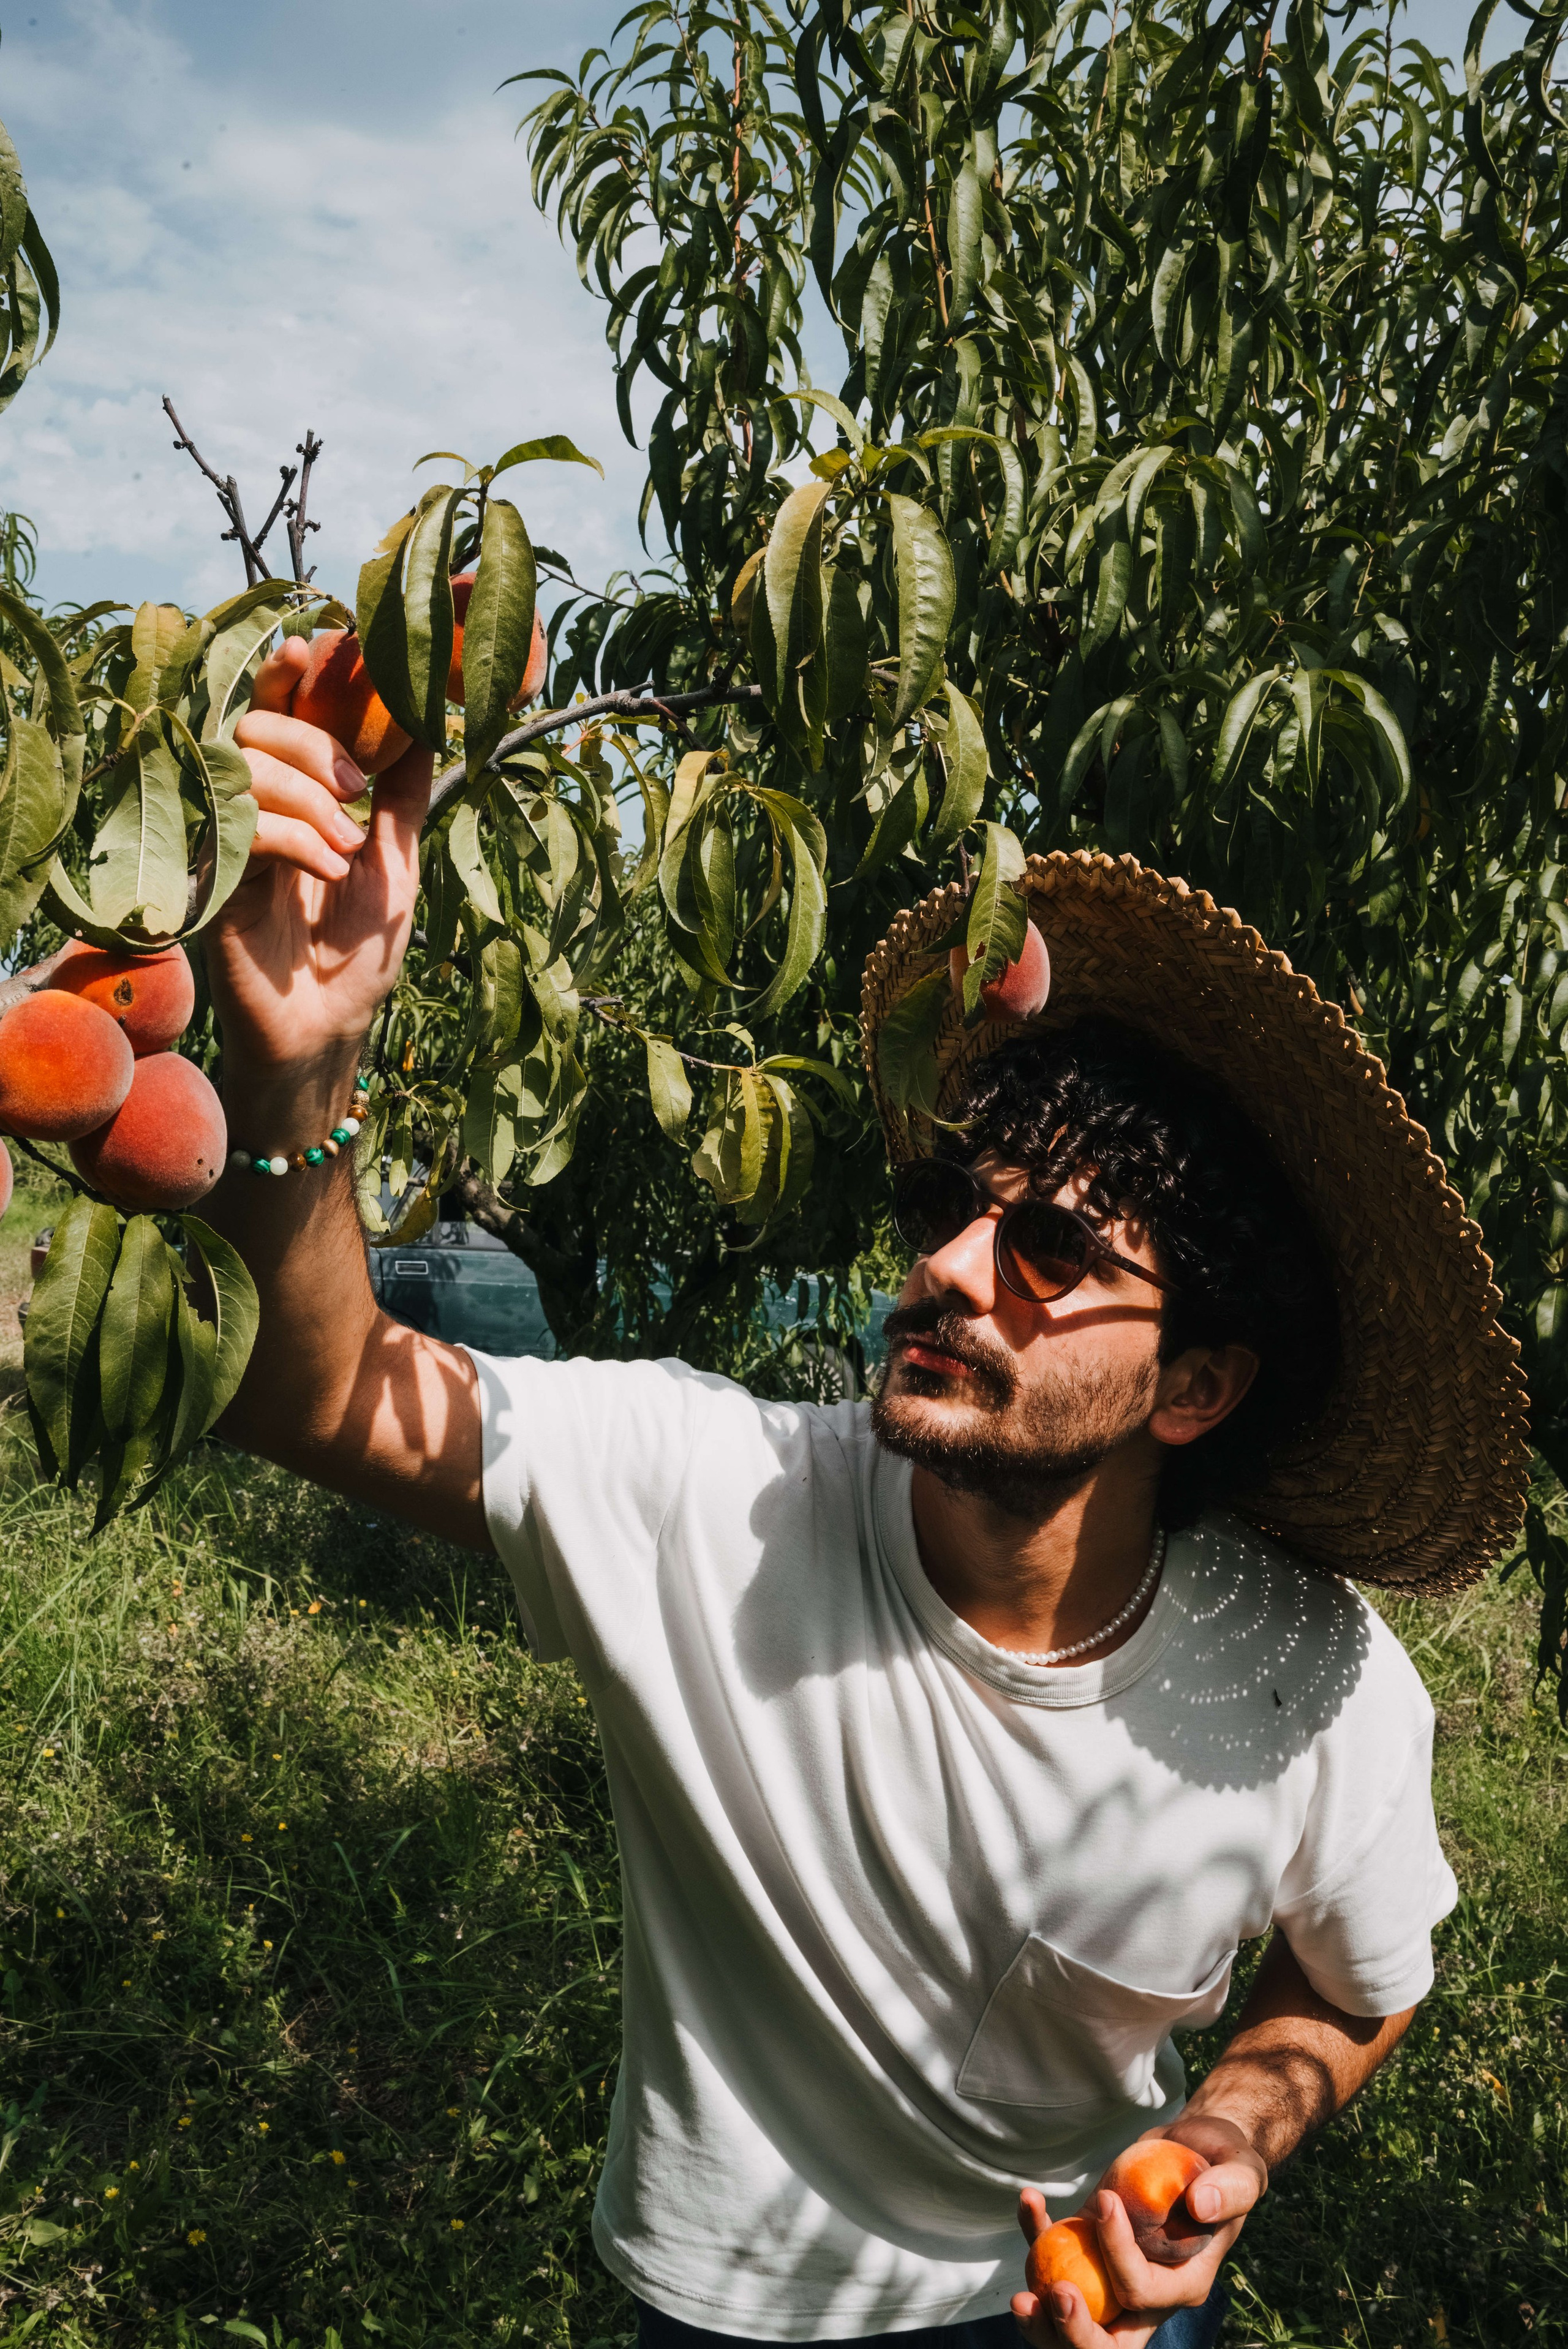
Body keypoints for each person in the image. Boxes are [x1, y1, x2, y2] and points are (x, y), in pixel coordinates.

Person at [203, 642, 1529, 2349]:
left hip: (1091, 2301)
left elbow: (1356, 1985)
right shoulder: (714, 1494)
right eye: (950, 1211)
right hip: (736, 2319)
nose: (954, 1267)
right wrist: (296, 1069)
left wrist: (1223, 2137)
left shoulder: (1307, 1679)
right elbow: (312, 1386)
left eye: (1051, 1251)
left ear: (1194, 1387)